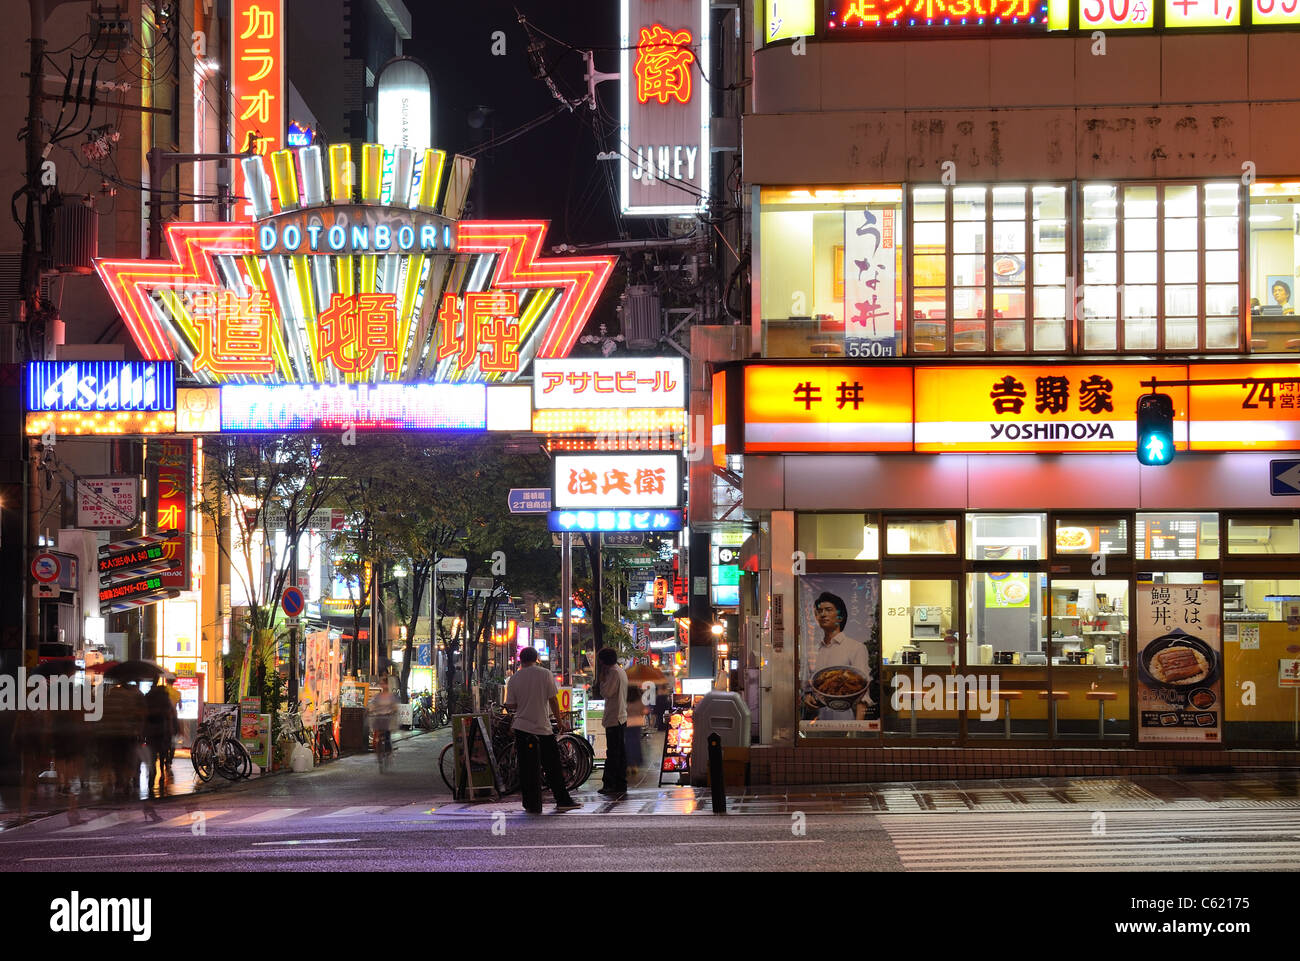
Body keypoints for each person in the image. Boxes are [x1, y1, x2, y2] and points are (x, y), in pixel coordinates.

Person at [504, 647, 580, 814]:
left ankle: (531, 804)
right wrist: (560, 722)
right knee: (552, 766)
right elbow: (553, 698)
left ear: (520, 660)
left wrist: (524, 702)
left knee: (526, 768)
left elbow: (510, 704)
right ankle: (562, 800)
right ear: (536, 658)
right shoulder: (544, 674)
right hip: (542, 727)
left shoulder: (514, 678)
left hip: (522, 728)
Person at [803, 591, 873, 722]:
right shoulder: (815, 650)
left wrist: (857, 730)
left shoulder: (856, 648)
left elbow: (863, 693)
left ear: (840, 617)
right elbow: (810, 687)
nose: (823, 614)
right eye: (820, 611)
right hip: (818, 724)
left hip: (846, 721)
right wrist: (808, 698)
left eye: (828, 610)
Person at [596, 648, 627, 796]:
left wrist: (601, 679)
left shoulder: (613, 673)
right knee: (619, 753)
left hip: (614, 717)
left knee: (613, 753)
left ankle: (610, 784)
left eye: (600, 661)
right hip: (620, 717)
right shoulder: (620, 671)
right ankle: (620, 783)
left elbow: (606, 692)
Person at [143, 681, 175, 795]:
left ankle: (152, 775)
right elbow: (169, 714)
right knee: (162, 752)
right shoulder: (165, 697)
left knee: (152, 753)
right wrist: (170, 728)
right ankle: (161, 771)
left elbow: (144, 713)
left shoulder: (148, 696)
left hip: (151, 730)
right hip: (162, 728)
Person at [368, 683, 398, 766]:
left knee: (387, 737)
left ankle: (388, 752)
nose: (384, 686)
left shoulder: (391, 697)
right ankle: (378, 752)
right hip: (378, 717)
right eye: (383, 684)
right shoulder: (378, 696)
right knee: (376, 736)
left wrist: (394, 710)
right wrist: (371, 710)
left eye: (386, 684)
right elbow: (372, 705)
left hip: (387, 718)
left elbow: (395, 706)